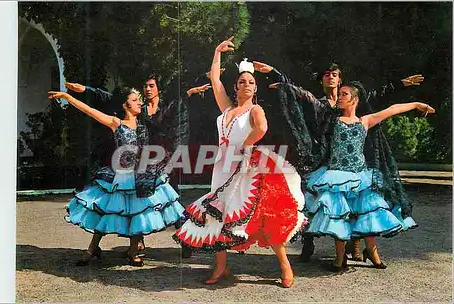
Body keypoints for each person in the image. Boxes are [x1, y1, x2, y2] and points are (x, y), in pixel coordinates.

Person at [256, 61, 423, 262]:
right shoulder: (320, 103)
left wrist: (400, 85)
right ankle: (309, 242)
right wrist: (277, 76)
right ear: (322, 80)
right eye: (326, 74)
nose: (330, 77)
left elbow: (375, 98)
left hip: (350, 161)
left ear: (340, 80)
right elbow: (300, 93)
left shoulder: (350, 101)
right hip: (323, 157)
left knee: (357, 201)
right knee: (316, 202)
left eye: (334, 74)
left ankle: (357, 246)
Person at [173, 37, 306, 288]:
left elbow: (262, 128)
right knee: (216, 215)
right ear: (236, 87)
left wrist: (247, 144)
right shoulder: (226, 109)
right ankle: (221, 267)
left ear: (256, 88)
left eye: (251, 82)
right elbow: (214, 80)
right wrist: (216, 53)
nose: (247, 85)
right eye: (242, 81)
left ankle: (285, 264)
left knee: (262, 213)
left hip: (245, 167)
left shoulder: (254, 110)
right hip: (222, 167)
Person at [47, 87, 186, 267]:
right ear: (125, 104)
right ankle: (92, 249)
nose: (140, 103)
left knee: (139, 211)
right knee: (105, 210)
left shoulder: (145, 126)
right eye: (135, 100)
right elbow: (90, 111)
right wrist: (67, 96)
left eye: (139, 100)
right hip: (121, 175)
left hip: (141, 173)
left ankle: (133, 251)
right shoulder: (116, 123)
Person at [303, 81, 433, 271]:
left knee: (368, 213)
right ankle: (340, 257)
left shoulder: (365, 121)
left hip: (360, 176)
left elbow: (393, 109)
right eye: (339, 94)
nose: (339, 97)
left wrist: (416, 105)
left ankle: (371, 251)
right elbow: (310, 100)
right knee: (338, 217)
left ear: (355, 100)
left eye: (344, 94)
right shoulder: (332, 120)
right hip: (336, 177)